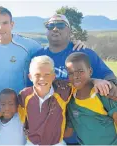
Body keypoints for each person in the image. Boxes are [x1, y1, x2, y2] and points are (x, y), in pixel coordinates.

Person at [34, 14, 117, 144]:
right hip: (51, 130)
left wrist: (107, 86)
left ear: (69, 31)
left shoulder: (83, 53)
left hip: (83, 133)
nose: (55, 28)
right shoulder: (37, 56)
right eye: (50, 25)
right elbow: (32, 90)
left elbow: (108, 77)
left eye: (61, 25)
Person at [0, 6, 85, 102]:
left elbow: (52, 51)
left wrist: (73, 44)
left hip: (22, 103)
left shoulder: (28, 45)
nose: (1, 28)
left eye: (5, 23)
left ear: (12, 24)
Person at [64, 52, 117, 145]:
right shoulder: (71, 100)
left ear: (90, 71)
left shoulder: (102, 93)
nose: (76, 76)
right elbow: (68, 132)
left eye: (80, 71)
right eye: (71, 73)